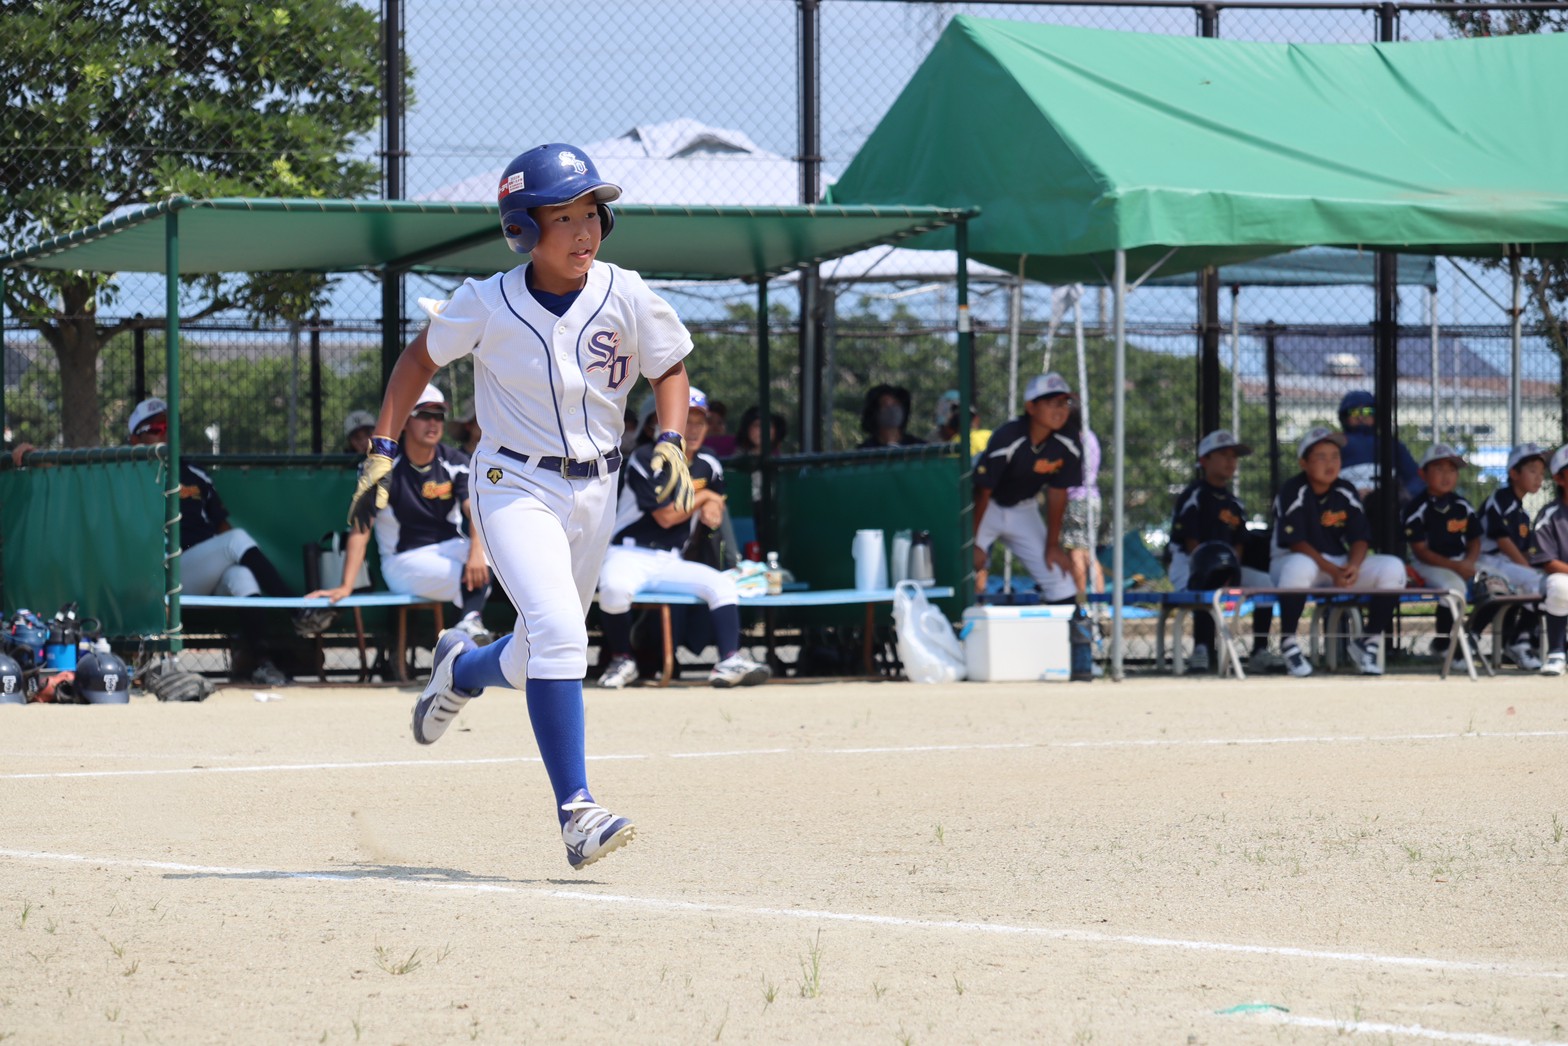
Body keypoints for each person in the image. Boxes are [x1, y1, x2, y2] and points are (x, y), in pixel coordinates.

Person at [350, 142, 695, 870]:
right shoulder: (488, 300)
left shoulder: (625, 292)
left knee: (542, 651)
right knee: (562, 634)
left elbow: (669, 365)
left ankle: (461, 669)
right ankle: (577, 812)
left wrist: (671, 441)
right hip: (514, 484)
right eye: (562, 216)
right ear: (522, 229)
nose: (582, 231)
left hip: (598, 487)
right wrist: (382, 447)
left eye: (590, 213)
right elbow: (418, 361)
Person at [125, 397, 334, 685]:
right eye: (156, 427)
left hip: (199, 570)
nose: (165, 433)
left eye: (169, 426)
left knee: (242, 575)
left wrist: (223, 557)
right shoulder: (125, 475)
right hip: (159, 574)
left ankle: (261, 662)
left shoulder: (194, 473)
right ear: (135, 438)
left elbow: (220, 524)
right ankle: (297, 610)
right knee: (236, 541)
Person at [595, 386, 769, 689]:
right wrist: (707, 499)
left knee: (722, 585)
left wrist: (714, 503)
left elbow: (716, 501)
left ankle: (729, 659)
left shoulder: (709, 463)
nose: (694, 429)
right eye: (687, 420)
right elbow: (666, 516)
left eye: (700, 421)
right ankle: (622, 659)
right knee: (614, 588)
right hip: (628, 554)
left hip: (670, 559)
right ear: (664, 423)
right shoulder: (646, 457)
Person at [308, 384, 493, 644]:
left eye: (438, 416)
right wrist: (346, 585)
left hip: (452, 548)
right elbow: (361, 528)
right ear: (405, 420)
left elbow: (473, 508)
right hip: (404, 561)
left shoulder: (455, 461)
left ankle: (468, 626)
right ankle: (465, 627)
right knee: (469, 574)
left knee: (497, 554)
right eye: (424, 415)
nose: (433, 423)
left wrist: (476, 549)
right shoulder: (381, 467)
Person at [1268, 425, 1408, 677]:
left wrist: (1352, 566)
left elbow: (1360, 538)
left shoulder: (1345, 490)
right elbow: (1296, 542)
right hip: (1292, 562)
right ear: (1303, 463)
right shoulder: (1292, 490)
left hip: (1335, 565)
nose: (1330, 463)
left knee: (1392, 567)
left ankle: (1367, 643)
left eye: (1335, 456)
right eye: (1320, 457)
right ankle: (1288, 643)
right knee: (1299, 565)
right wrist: (1333, 570)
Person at [1168, 430, 1275, 673]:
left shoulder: (1234, 503)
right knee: (1206, 581)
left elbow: (1239, 542)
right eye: (1223, 455)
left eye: (1234, 456)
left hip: (1226, 565)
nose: (1230, 461)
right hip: (1188, 563)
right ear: (1204, 461)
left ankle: (1260, 650)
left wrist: (1231, 570)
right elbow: (1190, 543)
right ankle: (1201, 648)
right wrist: (1214, 572)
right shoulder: (1194, 495)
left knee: (1264, 582)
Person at [971, 372, 1081, 604]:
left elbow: (1057, 492)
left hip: (1023, 509)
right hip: (985, 507)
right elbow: (983, 490)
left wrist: (1052, 545)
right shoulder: (1008, 436)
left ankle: (1067, 638)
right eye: (1052, 403)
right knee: (966, 566)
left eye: (1064, 402)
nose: (1060, 409)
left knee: (1060, 580)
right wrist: (971, 543)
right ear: (1031, 407)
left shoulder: (1069, 440)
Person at [1401, 443, 1480, 660]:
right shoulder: (1416, 507)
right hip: (1427, 565)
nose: (1446, 475)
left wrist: (1470, 562)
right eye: (1439, 469)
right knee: (1453, 587)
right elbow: (1420, 552)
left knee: (1495, 582)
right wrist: (1459, 567)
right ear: (1422, 473)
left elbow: (1475, 539)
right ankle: (1448, 647)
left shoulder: (1462, 505)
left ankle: (1471, 637)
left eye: (1452, 470)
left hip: (1461, 561)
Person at [1477, 442, 1550, 670]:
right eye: (1531, 471)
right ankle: (1519, 641)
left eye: (1541, 472)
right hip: (1486, 561)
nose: (1538, 478)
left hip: (1504, 563)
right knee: (1536, 581)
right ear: (1513, 473)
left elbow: (1526, 552)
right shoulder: (1501, 498)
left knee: (1537, 580)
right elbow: (1502, 539)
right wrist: (1528, 570)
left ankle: (1518, 640)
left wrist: (1530, 567)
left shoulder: (1521, 512)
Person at [1527, 445, 1568, 676]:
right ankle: (1556, 652)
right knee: (1561, 585)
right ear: (1559, 478)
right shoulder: (1549, 515)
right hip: (1558, 581)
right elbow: (1548, 563)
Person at [1061, 404, 1105, 601]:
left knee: (1076, 552)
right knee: (1089, 552)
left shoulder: (1071, 440)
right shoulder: (1091, 437)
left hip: (1075, 499)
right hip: (1093, 498)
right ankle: (1100, 601)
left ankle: (1081, 602)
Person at [858, 384, 924, 449]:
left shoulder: (919, 447)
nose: (892, 410)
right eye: (886, 406)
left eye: (895, 405)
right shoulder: (864, 451)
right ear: (874, 412)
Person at [931, 389, 991, 458]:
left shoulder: (953, 448)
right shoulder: (990, 435)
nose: (941, 432)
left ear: (949, 425)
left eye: (941, 427)